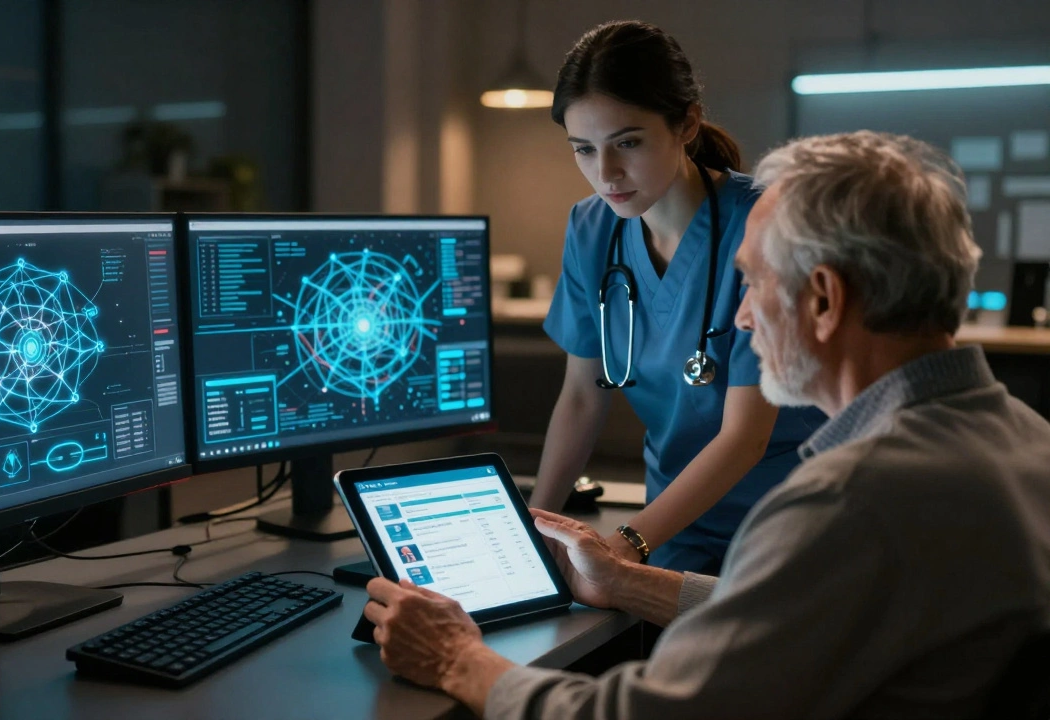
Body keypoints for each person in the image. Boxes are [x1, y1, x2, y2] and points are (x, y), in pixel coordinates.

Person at [362, 130, 1050, 718]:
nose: (743, 317)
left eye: (750, 281)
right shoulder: (1023, 440)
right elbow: (801, 618)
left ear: (823, 299)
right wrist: (626, 581)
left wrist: (459, 660)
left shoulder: (851, 501)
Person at [531, 20, 824, 574]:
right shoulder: (592, 229)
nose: (606, 173)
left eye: (628, 143)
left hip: (785, 519)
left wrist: (623, 545)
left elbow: (744, 437)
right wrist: (537, 524)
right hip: (672, 518)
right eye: (584, 150)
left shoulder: (765, 225)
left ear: (686, 123)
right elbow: (581, 397)